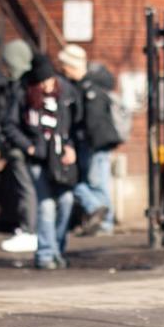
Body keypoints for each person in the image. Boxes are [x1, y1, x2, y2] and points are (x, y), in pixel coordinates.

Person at [1, 54, 77, 269]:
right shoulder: (23, 93)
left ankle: (57, 249)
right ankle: (45, 255)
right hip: (37, 159)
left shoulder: (63, 93)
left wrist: (70, 146)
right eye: (42, 82)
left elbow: (72, 124)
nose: (46, 86)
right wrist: (29, 146)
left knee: (66, 201)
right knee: (46, 205)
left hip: (60, 157)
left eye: (50, 81)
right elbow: (9, 124)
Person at [59, 45, 122, 235]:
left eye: (65, 66)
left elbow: (93, 120)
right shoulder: (81, 86)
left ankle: (103, 220)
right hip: (91, 143)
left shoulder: (89, 88)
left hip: (95, 144)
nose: (64, 70)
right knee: (94, 182)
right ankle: (102, 219)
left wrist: (87, 140)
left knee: (96, 182)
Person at [0, 39, 40, 254]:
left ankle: (29, 230)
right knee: (28, 189)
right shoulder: (21, 84)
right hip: (25, 146)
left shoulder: (22, 87)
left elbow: (11, 120)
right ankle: (30, 229)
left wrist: (24, 144)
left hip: (23, 147)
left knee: (27, 189)